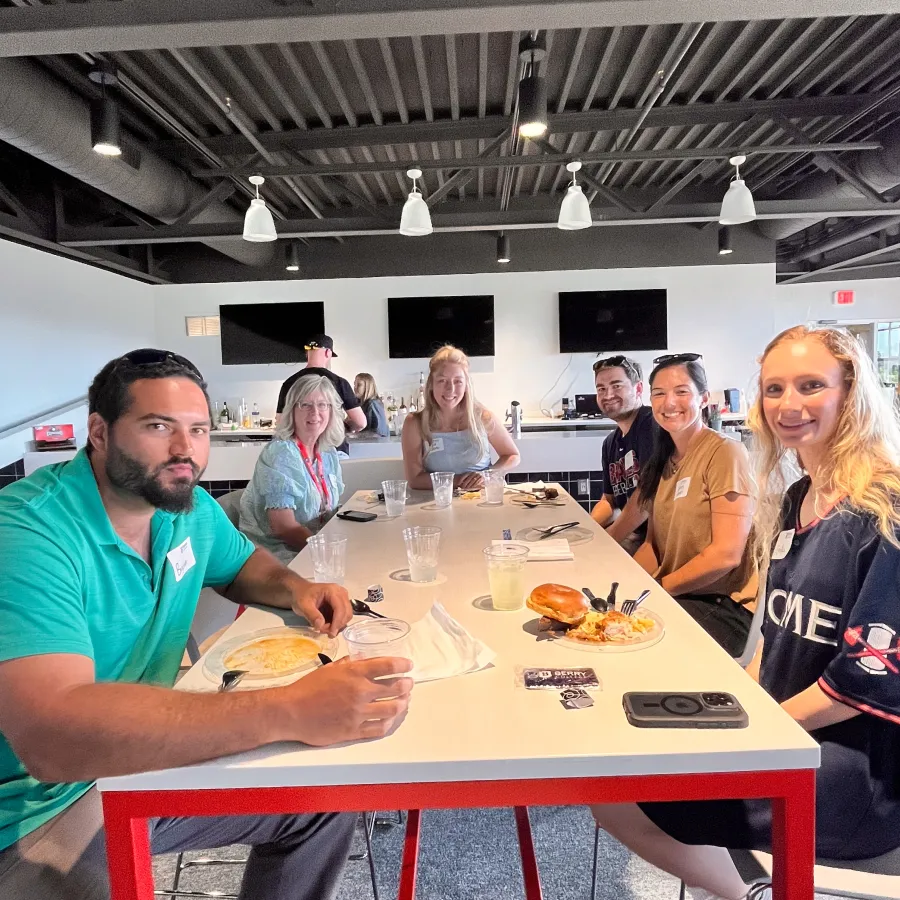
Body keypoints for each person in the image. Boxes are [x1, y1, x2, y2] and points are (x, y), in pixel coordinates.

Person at [0, 349, 414, 900]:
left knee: (320, 799)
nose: (184, 450)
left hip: (139, 770)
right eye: (158, 426)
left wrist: (298, 588)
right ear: (99, 432)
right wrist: (289, 709)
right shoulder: (30, 534)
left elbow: (244, 564)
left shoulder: (186, 508)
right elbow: (53, 740)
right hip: (35, 813)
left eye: (198, 430)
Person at [592, 325, 900, 900]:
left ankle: (741, 894)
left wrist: (752, 731)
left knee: (620, 792)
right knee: (619, 763)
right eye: (774, 388)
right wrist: (729, 705)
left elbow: (857, 681)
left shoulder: (884, 508)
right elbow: (777, 638)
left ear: (851, 392)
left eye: (811, 385)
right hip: (781, 728)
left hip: (848, 771)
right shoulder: (797, 497)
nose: (789, 405)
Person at [634, 353, 757, 657]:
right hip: (679, 597)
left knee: (637, 650)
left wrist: (661, 589)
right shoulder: (663, 461)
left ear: (703, 399)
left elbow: (726, 555)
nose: (669, 402)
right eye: (659, 394)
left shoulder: (725, 453)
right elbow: (653, 545)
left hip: (722, 607)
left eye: (681, 392)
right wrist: (629, 588)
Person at [240, 375, 345, 563]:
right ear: (292, 411)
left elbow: (330, 509)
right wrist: (325, 552)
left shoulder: (328, 452)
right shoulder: (281, 454)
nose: (315, 413)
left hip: (314, 545)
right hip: (276, 555)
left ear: (331, 411)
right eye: (305, 405)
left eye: (322, 405)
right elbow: (283, 526)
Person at [401, 345, 520, 491]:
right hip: (439, 503)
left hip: (485, 500)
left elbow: (512, 456)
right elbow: (415, 480)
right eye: (442, 381)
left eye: (458, 381)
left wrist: (488, 475)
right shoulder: (414, 423)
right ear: (431, 384)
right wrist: (459, 482)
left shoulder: (483, 417)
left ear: (466, 385)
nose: (450, 389)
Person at [589, 355, 657, 555]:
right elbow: (608, 501)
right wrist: (588, 528)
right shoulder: (610, 442)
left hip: (655, 544)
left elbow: (646, 497)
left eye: (616, 385)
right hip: (632, 536)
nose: (608, 394)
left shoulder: (651, 425)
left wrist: (606, 541)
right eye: (601, 388)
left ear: (638, 388)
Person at [276, 334, 366, 454]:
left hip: (300, 452)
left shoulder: (289, 383)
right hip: (333, 449)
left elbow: (281, 422)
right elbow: (360, 422)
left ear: (307, 353)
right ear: (328, 353)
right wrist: (343, 426)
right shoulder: (339, 382)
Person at [354, 372, 390, 437]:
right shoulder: (362, 404)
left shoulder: (373, 404)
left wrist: (355, 435)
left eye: (359, 385)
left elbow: (376, 433)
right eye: (354, 384)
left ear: (368, 387)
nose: (355, 387)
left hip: (376, 446)